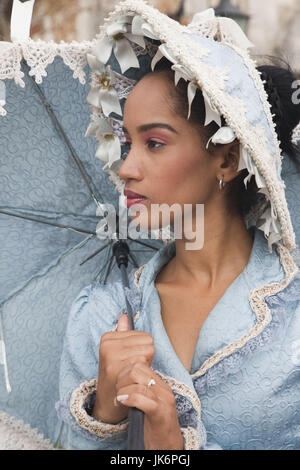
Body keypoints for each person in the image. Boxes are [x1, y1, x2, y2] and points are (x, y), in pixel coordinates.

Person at [55, 1, 300, 450]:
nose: (126, 168)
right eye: (127, 144)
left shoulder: (293, 318)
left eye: (154, 142)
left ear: (226, 158)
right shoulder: (104, 318)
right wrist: (106, 415)